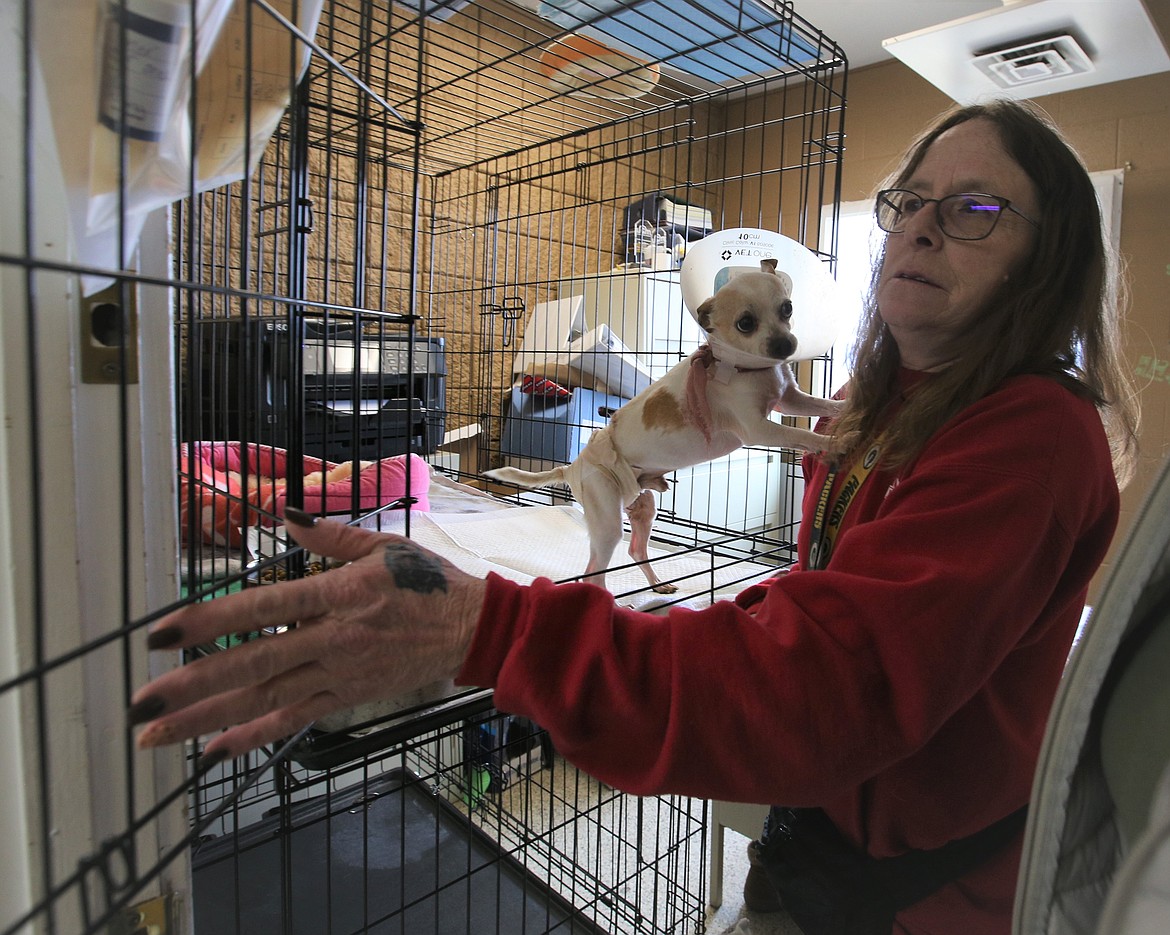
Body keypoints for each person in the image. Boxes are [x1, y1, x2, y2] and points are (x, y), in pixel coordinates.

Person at [131, 99, 1140, 935]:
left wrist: (493, 625)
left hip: (921, 901)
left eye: (971, 209)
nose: (919, 225)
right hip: (818, 857)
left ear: (1047, 259)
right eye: (910, 201)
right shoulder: (888, 411)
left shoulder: (1031, 438)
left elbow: (833, 685)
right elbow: (844, 601)